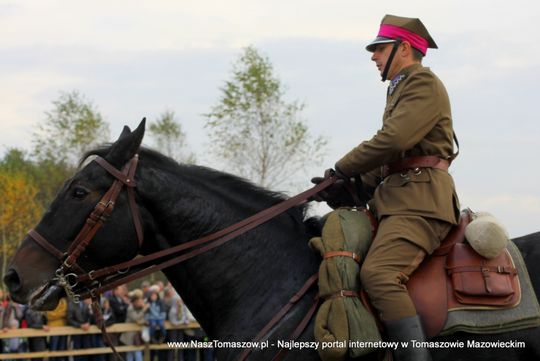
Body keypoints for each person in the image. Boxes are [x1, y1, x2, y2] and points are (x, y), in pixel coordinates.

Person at [313, 14, 460, 361]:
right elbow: (391, 160)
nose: (373, 56)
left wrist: (342, 167)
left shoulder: (422, 82)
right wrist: (349, 189)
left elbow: (394, 140)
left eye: (379, 48)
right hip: (397, 200)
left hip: (420, 203)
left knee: (378, 275)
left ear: (404, 48)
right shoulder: (401, 88)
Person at [120, 290, 148, 361]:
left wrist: (141, 320)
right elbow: (135, 318)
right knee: (130, 354)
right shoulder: (130, 308)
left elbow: (142, 319)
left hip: (136, 335)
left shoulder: (139, 308)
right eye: (139, 300)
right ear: (135, 301)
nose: (141, 301)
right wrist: (144, 309)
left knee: (137, 353)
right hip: (129, 335)